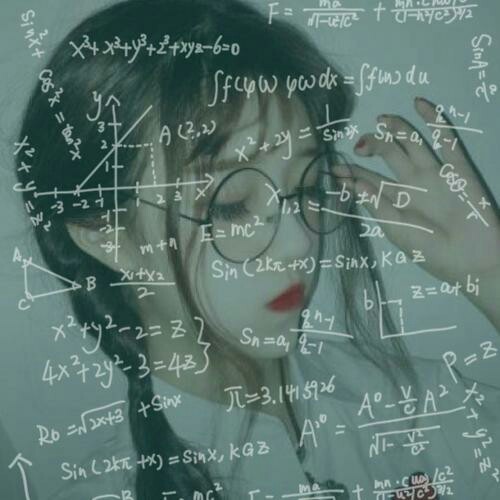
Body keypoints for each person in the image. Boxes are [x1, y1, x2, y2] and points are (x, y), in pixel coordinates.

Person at [12, 0, 500, 498]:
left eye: (307, 189)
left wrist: (490, 273)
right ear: (106, 235)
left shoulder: (405, 401)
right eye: (231, 206)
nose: (300, 242)